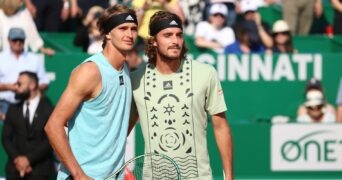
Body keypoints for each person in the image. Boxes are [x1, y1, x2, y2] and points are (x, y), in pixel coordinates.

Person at [129, 11, 233, 179]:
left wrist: (229, 176)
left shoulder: (206, 73)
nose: (175, 41)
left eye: (179, 35)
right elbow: (123, 130)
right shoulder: (135, 80)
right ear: (154, 41)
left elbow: (221, 127)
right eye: (167, 35)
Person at [44, 4, 138, 179]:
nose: (129, 34)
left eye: (133, 29)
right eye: (123, 28)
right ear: (108, 34)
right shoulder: (90, 71)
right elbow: (53, 126)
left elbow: (115, 124)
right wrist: (79, 175)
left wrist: (119, 165)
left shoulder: (125, 68)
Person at [1, 71, 55, 180]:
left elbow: (51, 140)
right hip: (15, 170)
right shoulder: (13, 108)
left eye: (20, 84)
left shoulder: (49, 109)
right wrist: (18, 160)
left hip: (41, 170)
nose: (16, 87)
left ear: (32, 85)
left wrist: (28, 160)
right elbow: (6, 137)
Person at [0, 27, 50, 120]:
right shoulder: (1, 58)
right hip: (4, 104)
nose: (18, 42)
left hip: (28, 102)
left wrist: (30, 88)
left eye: (21, 40)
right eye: (15, 40)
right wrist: (8, 87)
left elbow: (45, 82)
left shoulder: (34, 58)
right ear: (9, 40)